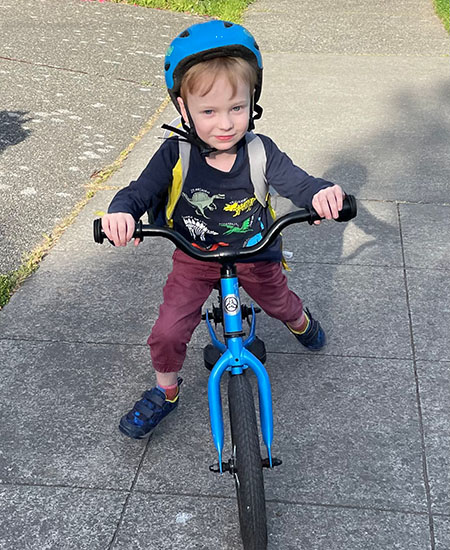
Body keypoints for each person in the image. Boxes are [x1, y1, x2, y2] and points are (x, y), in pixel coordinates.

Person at [101, 20, 345, 440]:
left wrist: (321, 194)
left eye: (237, 107)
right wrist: (121, 213)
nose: (226, 123)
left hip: (256, 250)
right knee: (168, 330)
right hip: (194, 256)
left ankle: (301, 321)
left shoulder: (260, 150)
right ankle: (166, 391)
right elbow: (138, 192)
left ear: (254, 100)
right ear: (183, 108)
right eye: (208, 111)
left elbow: (298, 183)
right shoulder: (174, 153)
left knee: (280, 303)